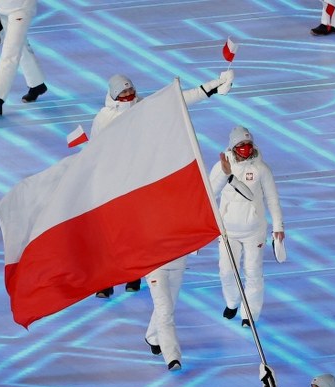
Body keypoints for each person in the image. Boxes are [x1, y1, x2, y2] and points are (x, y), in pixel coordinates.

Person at [92, 71, 235, 302]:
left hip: (142, 181)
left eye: (131, 90)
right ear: (114, 95)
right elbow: (94, 152)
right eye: (124, 92)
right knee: (112, 233)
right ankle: (106, 281)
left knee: (137, 230)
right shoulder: (104, 118)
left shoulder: (146, 107)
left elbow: (180, 99)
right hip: (115, 183)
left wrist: (214, 86)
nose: (129, 94)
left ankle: (134, 275)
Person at [208, 126, 284, 327]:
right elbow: (210, 193)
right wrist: (225, 174)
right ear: (233, 147)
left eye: (248, 144)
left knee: (253, 271)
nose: (245, 148)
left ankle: (249, 313)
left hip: (254, 231)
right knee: (226, 270)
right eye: (241, 145)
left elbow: (272, 199)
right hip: (227, 232)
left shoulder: (261, 169)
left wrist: (278, 226)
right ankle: (232, 302)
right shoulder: (221, 166)